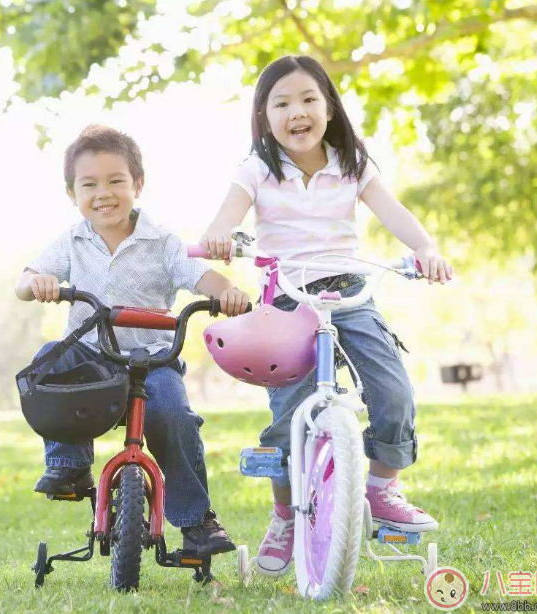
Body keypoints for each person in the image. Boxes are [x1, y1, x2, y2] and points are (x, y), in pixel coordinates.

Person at [200, 55, 452, 577]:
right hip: (288, 299)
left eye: (309, 99)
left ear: (330, 108)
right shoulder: (257, 168)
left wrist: (425, 247)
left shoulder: (352, 162)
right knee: (288, 415)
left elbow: (392, 211)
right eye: (282, 103)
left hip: (350, 293)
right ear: (264, 116)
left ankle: (382, 488)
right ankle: (285, 515)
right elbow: (226, 216)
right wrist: (219, 238)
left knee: (393, 392)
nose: (298, 112)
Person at [15, 124, 249, 556]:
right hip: (91, 357)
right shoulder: (71, 241)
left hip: (151, 360)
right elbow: (23, 282)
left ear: (137, 184)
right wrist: (38, 282)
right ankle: (69, 466)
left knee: (175, 416)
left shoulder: (161, 241)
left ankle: (197, 522)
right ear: (72, 193)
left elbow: (201, 276)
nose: (103, 193)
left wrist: (226, 292)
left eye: (116, 181)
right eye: (89, 184)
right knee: (48, 362)